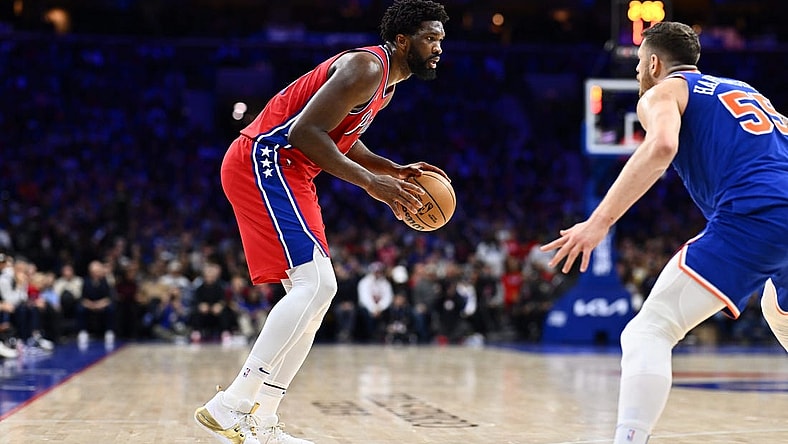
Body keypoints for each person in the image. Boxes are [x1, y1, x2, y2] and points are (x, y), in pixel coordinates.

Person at [193, 1, 450, 443]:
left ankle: (263, 419)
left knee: (318, 292)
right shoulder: (366, 67)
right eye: (430, 37)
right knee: (315, 285)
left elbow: (339, 139)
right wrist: (372, 184)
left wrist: (389, 168)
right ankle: (232, 403)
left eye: (441, 39)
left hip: (293, 171)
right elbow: (304, 133)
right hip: (266, 160)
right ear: (403, 39)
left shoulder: (385, 84)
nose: (438, 47)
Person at [540, 22, 788, 444]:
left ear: (654, 63)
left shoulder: (663, 92)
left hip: (757, 213)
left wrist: (597, 223)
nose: (638, 74)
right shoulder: (746, 91)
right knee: (775, 308)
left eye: (639, 65)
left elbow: (661, 147)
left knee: (648, 331)